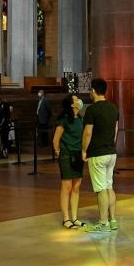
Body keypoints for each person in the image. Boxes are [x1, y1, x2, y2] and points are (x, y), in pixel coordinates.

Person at [81, 79, 121, 231]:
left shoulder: (92, 110)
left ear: (93, 91)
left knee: (101, 189)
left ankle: (103, 222)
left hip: (97, 153)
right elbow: (116, 130)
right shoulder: (113, 108)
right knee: (109, 186)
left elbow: (88, 132)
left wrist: (84, 150)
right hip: (111, 152)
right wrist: (110, 144)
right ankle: (113, 220)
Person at [53, 94, 86, 229]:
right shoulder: (64, 120)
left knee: (76, 186)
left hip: (78, 155)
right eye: (76, 99)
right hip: (66, 155)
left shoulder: (81, 119)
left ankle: (75, 217)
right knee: (66, 187)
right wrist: (58, 151)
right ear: (72, 104)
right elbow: (56, 139)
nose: (79, 100)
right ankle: (66, 218)